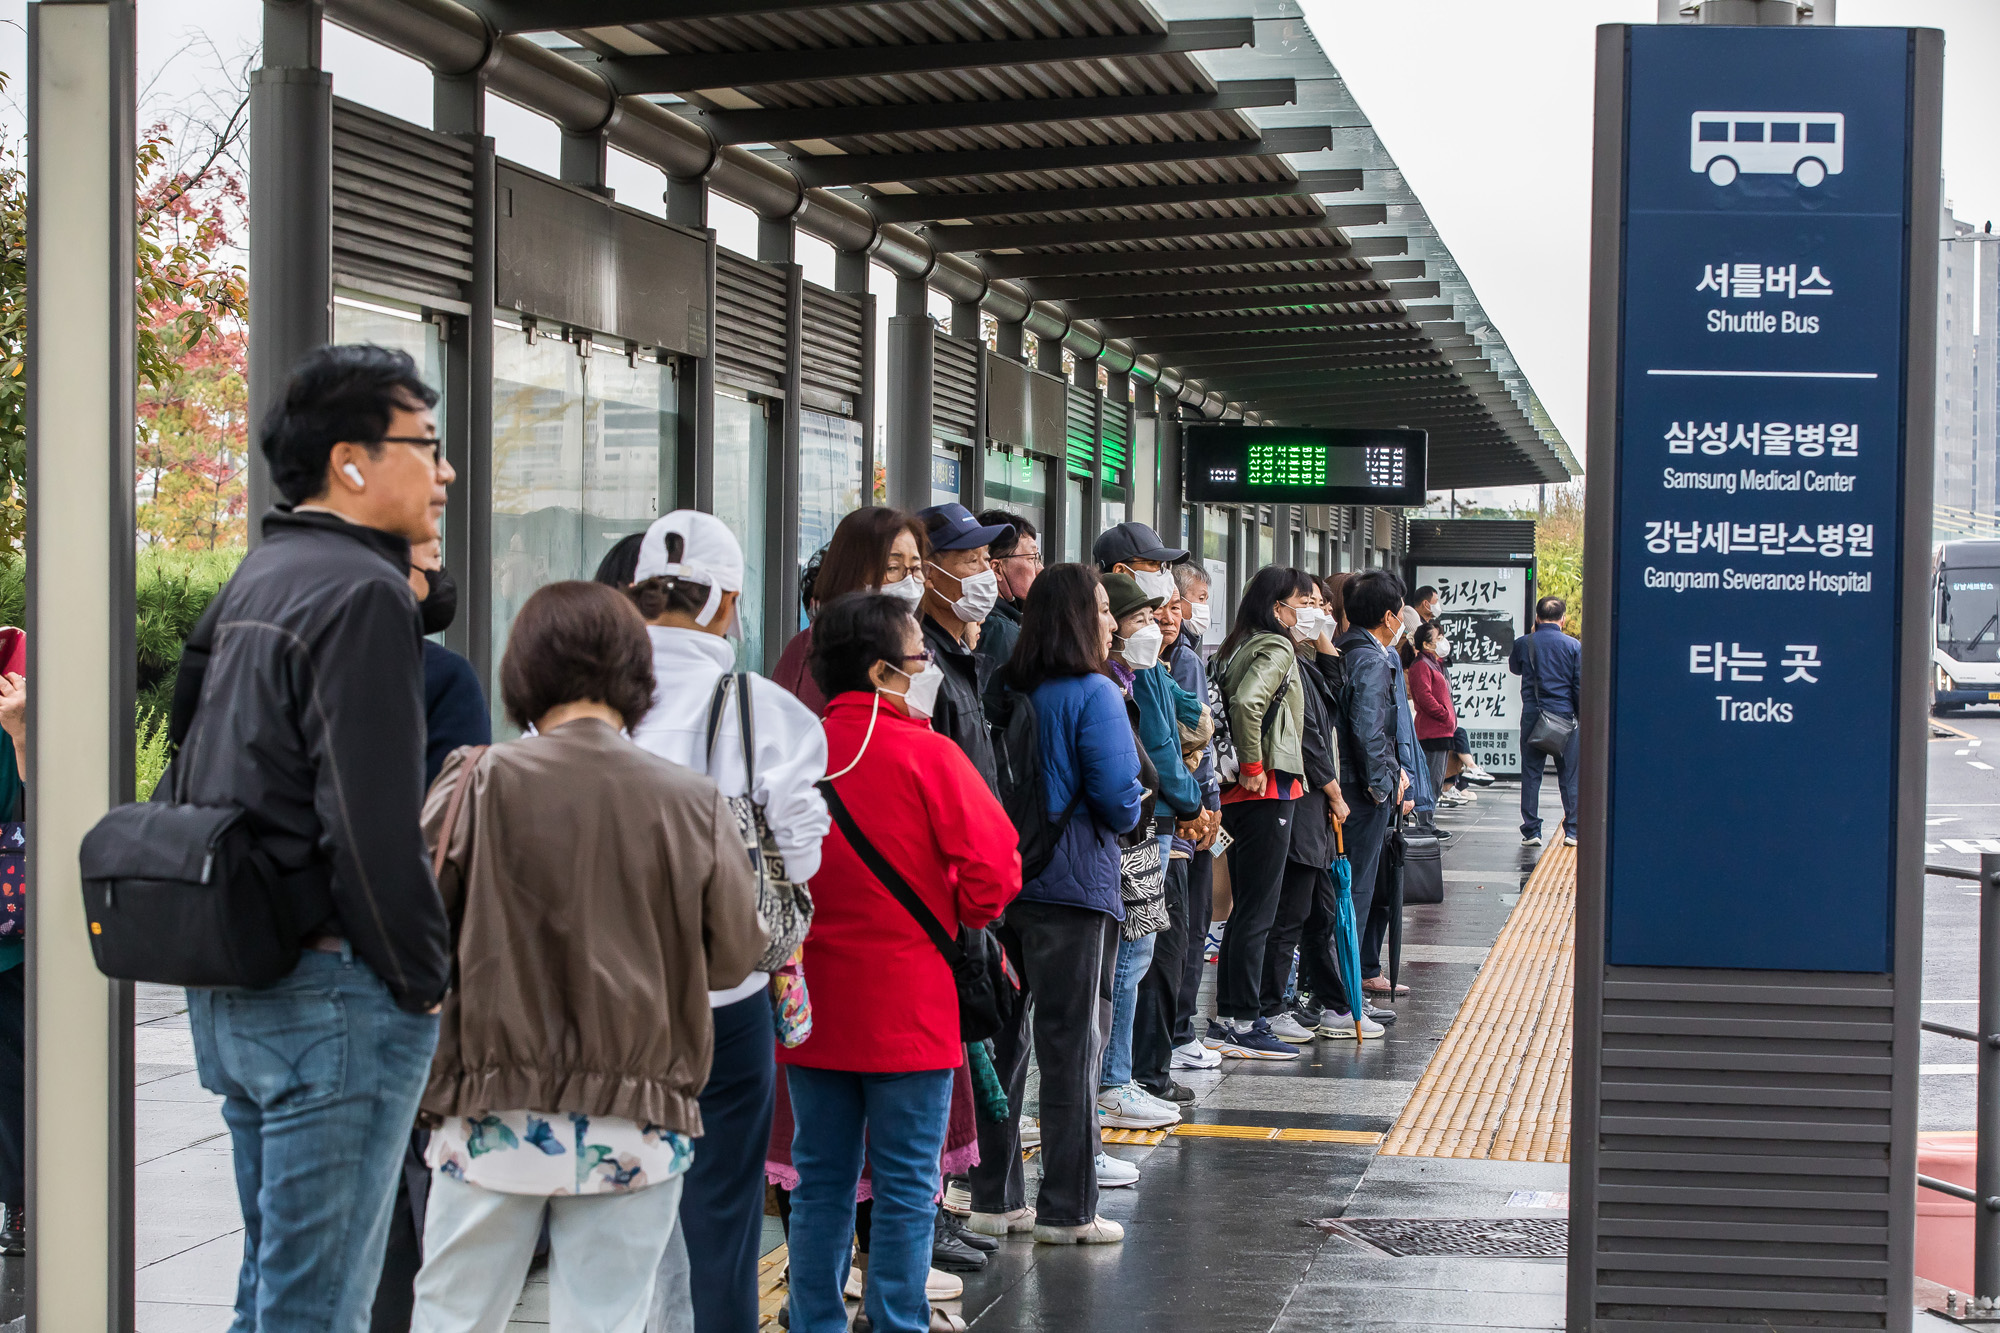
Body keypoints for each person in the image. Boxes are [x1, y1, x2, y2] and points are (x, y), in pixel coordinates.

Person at [171, 345, 454, 1330]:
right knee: (320, 1308)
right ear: (351, 461)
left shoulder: (263, 574)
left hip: (246, 985)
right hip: (333, 999)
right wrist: (425, 978)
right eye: (426, 444)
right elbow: (370, 824)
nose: (444, 471)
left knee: (275, 1291)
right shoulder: (363, 591)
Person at [409, 581, 767, 1333]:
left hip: (491, 1106)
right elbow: (736, 955)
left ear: (524, 674)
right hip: (637, 1116)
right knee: (605, 1319)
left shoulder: (477, 782)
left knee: (453, 1313)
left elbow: (414, 929)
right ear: (637, 677)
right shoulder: (689, 802)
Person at [784, 592, 1020, 1332]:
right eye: (919, 659)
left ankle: (814, 1316)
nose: (928, 670)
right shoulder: (928, 755)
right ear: (885, 672)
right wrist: (954, 908)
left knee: (821, 1177)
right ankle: (894, 1317)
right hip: (911, 1011)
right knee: (907, 1181)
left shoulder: (795, 753)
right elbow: (995, 875)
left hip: (812, 1009)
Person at [621, 511, 829, 1333]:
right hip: (727, 995)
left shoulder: (586, 701)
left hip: (613, 1000)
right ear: (725, 603)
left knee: (618, 1210)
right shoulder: (761, 709)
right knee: (724, 1212)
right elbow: (804, 857)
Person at [970, 565, 1142, 1246]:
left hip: (1005, 885)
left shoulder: (1006, 687)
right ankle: (1068, 1207)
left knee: (1003, 1040)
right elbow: (1118, 798)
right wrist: (1136, 806)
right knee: (1072, 1046)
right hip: (1072, 888)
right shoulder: (1093, 692)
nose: (1110, 621)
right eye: (1101, 610)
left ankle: (994, 1194)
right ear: (1076, 620)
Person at [375, 539, 490, 1333]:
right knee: (419, 1186)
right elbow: (457, 832)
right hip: (412, 965)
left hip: (332, 965)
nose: (441, 569)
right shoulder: (442, 680)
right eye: (427, 555)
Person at [1093, 573, 1199, 1130]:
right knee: (1130, 957)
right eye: (1137, 619)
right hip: (1138, 831)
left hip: (1145, 829)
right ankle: (1113, 1081)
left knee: (1137, 954)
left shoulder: (1138, 677)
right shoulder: (1105, 685)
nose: (1150, 629)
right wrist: (1187, 801)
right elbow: (1149, 757)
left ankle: (1118, 1076)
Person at [1205, 566, 1312, 1061]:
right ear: (1277, 608)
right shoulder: (1277, 647)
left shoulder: (1235, 645)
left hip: (1235, 795)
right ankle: (1244, 1019)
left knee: (1243, 907)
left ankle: (1231, 1013)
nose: (1305, 613)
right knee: (1258, 909)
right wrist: (1253, 763)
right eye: (1299, 604)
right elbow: (1250, 703)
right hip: (1266, 788)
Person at [1261, 575, 1355, 1044]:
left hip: (1309, 804)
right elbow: (1310, 737)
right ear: (1277, 606)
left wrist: (1322, 638)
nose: (1320, 611)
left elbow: (1331, 703)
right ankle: (1269, 1005)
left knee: (1312, 910)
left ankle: (1316, 1000)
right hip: (1298, 800)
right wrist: (1336, 792)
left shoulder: (1304, 659)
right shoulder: (1279, 657)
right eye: (1308, 603)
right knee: (1289, 913)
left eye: (1323, 603)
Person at [1333, 571, 1414, 1005]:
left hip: (1345, 786)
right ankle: (1347, 998)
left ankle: (1338, 990)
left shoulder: (1346, 649)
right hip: (1360, 794)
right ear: (1388, 616)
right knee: (1356, 891)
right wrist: (1384, 784)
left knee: (1345, 890)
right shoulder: (1371, 658)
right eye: (1401, 613)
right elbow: (1368, 729)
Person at [1158, 563, 1224, 1078]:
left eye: (1182, 606)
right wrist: (1198, 803)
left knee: (1189, 926)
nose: (1177, 615)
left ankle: (1176, 1034)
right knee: (1174, 933)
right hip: (1175, 818)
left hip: (1190, 808)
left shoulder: (1184, 657)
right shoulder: (1167, 664)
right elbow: (1180, 746)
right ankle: (1173, 1037)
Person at [773, 507, 928, 715]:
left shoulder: (905, 643)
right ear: (852, 572)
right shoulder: (824, 652)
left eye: (916, 569)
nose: (909, 582)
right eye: (892, 568)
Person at [914, 503, 1011, 790]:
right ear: (928, 574)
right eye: (972, 561)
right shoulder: (921, 663)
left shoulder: (959, 652)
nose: (987, 573)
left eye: (986, 558)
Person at [1508, 596, 1581, 848]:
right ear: (1562, 619)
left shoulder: (1523, 643)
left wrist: (1531, 638)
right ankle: (1572, 831)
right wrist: (1579, 717)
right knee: (1569, 776)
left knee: (1531, 775)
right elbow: (1578, 686)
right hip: (1565, 718)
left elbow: (1515, 669)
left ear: (1537, 618)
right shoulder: (1573, 646)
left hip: (1533, 717)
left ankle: (1531, 831)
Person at [0, 664, 23, 1256]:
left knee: (15, 1072)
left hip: (12, 938)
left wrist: (22, 736)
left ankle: (23, 1199)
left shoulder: (18, 686)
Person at [975, 510, 1039, 688]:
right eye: (1032, 558)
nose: (1039, 568)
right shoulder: (1000, 630)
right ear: (996, 569)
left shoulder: (991, 620)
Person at [1405, 621, 1458, 805]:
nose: (1443, 641)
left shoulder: (1434, 663)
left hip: (1442, 730)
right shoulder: (1421, 665)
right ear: (1426, 644)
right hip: (1432, 730)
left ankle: (1429, 819)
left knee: (1436, 778)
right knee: (1430, 779)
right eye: (1439, 638)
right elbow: (1424, 696)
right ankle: (1425, 820)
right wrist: (1444, 714)